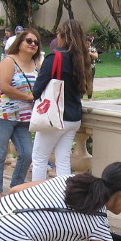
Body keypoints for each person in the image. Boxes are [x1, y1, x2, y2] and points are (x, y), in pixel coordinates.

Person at [31, 19, 92, 181]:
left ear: (63, 36)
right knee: (63, 159)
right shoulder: (82, 59)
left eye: (58, 33)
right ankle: (64, 199)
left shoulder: (56, 57)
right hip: (74, 117)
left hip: (55, 116)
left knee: (39, 158)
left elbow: (37, 88)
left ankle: (38, 201)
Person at [0, 29, 41, 203]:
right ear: (20, 42)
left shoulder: (35, 64)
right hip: (3, 115)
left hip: (24, 118)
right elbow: (4, 86)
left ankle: (15, 190)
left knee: (27, 154)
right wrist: (28, 97)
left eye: (36, 42)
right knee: (0, 154)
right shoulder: (9, 61)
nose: (33, 44)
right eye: (29, 41)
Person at [85, 35, 98, 101]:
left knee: (89, 82)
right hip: (82, 68)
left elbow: (96, 56)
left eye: (89, 43)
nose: (87, 45)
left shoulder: (92, 49)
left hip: (91, 67)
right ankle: (81, 96)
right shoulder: (81, 48)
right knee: (82, 82)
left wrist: (90, 53)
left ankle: (89, 97)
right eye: (86, 43)